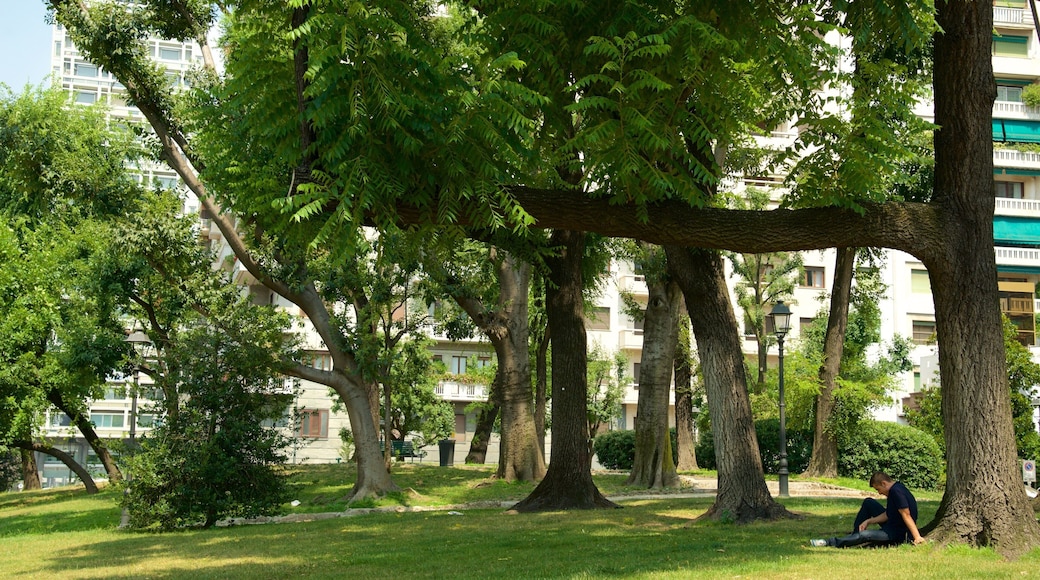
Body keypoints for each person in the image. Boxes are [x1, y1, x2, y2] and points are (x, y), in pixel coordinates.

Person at [810, 471, 925, 548]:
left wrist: (917, 537)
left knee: (865, 535)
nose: (879, 493)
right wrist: (869, 521)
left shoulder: (896, 492)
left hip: (896, 533)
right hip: (891, 523)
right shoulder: (895, 488)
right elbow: (888, 514)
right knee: (868, 502)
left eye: (878, 489)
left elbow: (906, 514)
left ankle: (830, 542)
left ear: (884, 483)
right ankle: (854, 536)